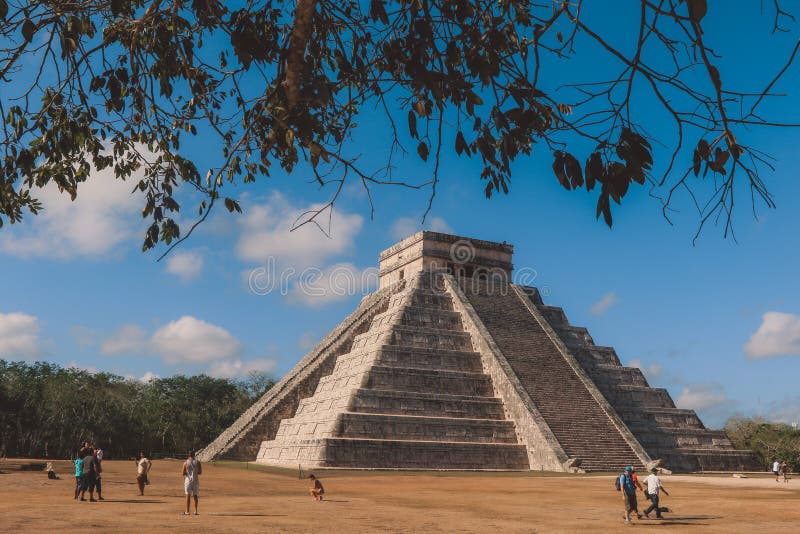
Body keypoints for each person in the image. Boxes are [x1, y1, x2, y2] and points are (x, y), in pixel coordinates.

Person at [182, 451, 202, 515]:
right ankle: (195, 511)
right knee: (195, 495)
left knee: (188, 495)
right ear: (194, 455)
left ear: (189, 455)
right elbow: (200, 472)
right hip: (195, 480)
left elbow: (183, 473)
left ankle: (187, 511)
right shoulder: (198, 462)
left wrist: (188, 473)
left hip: (188, 480)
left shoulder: (185, 463)